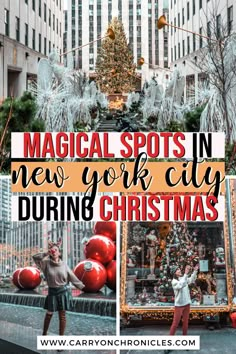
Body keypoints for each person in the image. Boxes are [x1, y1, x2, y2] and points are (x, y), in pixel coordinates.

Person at [32, 238, 85, 339]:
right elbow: (35, 258)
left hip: (63, 292)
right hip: (52, 292)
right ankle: (44, 334)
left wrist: (82, 286)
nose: (54, 252)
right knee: (49, 314)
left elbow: (72, 276)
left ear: (59, 253)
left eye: (56, 250)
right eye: (52, 250)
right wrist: (46, 253)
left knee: (62, 316)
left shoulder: (64, 264)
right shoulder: (46, 264)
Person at [164, 264, 199, 354]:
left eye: (179, 269)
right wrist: (186, 274)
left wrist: (195, 271)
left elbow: (190, 280)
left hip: (187, 304)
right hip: (179, 305)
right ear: (174, 273)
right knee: (175, 324)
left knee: (185, 323)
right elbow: (181, 285)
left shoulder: (183, 278)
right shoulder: (174, 281)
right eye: (177, 270)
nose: (179, 270)